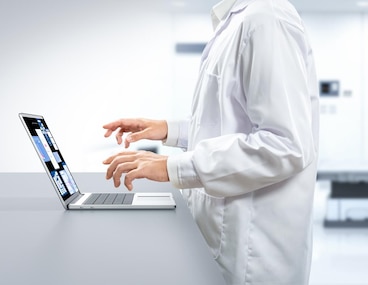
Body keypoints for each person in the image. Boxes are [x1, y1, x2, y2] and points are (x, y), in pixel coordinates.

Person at [102, 0, 319, 284]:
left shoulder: (267, 19)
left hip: (254, 259)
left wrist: (173, 167)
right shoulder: (236, 21)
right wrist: (169, 130)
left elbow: (285, 145)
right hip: (224, 245)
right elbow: (230, 124)